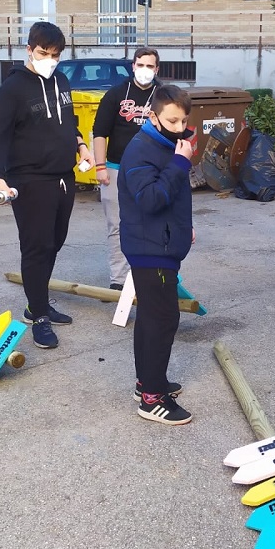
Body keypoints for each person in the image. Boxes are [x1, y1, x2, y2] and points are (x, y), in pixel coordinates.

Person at [0, 22, 94, 349]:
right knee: (36, 246)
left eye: (55, 55)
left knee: (55, 241)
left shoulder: (61, 80)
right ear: (29, 49)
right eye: (44, 53)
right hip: (29, 179)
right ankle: (39, 317)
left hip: (64, 177)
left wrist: (81, 145)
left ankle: (36, 303)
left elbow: (67, 122)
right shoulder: (13, 90)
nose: (50, 60)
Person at [118, 85, 195, 425]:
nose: (179, 127)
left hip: (161, 244)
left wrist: (184, 227)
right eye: (172, 120)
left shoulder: (165, 143)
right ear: (153, 117)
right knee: (163, 319)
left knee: (152, 316)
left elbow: (172, 197)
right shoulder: (141, 150)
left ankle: (147, 383)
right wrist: (180, 163)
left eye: (183, 121)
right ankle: (152, 399)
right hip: (149, 249)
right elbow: (151, 199)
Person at [92, 47, 162, 290]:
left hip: (152, 172)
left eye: (150, 66)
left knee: (151, 224)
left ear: (157, 69)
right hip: (115, 168)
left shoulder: (163, 96)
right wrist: (100, 167)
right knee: (117, 225)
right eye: (140, 65)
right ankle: (119, 280)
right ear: (133, 66)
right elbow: (100, 132)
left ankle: (148, 277)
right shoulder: (116, 94)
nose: (145, 70)